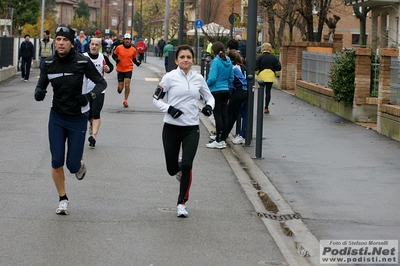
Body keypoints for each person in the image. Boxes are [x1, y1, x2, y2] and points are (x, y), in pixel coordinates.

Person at [34, 26, 107, 215]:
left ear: (70, 42)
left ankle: (79, 164)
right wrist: (39, 91)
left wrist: (89, 96)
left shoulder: (82, 62)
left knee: (72, 165)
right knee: (56, 160)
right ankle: (63, 199)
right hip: (57, 117)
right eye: (58, 39)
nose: (60, 43)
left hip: (78, 117)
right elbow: (41, 84)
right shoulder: (49, 63)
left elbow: (101, 83)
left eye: (64, 40)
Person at [153, 45, 215, 218]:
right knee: (172, 169)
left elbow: (209, 96)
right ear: (176, 60)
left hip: (191, 128)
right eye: (182, 57)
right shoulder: (169, 78)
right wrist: (169, 108)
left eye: (189, 57)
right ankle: (179, 166)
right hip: (171, 128)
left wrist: (209, 107)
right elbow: (155, 98)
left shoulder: (198, 78)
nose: (185, 60)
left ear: (193, 59)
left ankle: (181, 203)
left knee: (187, 165)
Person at [83, 38, 114, 148]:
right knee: (89, 114)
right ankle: (92, 127)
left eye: (96, 45)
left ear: (100, 47)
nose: (94, 46)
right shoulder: (83, 57)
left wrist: (107, 69)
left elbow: (111, 67)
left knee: (96, 113)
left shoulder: (103, 57)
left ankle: (93, 136)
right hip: (85, 90)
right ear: (89, 45)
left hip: (99, 90)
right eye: (92, 44)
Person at [205, 41, 234, 149]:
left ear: (213, 50)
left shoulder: (216, 61)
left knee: (217, 116)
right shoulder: (228, 60)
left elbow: (212, 78)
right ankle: (222, 139)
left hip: (216, 90)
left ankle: (218, 139)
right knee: (224, 115)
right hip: (226, 90)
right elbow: (231, 78)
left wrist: (204, 86)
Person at [221, 49, 248, 145]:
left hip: (239, 91)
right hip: (245, 91)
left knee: (230, 114)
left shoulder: (232, 68)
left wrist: (228, 96)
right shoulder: (241, 66)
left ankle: (223, 136)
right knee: (239, 114)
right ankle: (239, 134)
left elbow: (231, 83)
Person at [112, 33, 141, 108]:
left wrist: (137, 63)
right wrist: (116, 59)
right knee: (120, 88)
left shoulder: (133, 50)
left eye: (128, 39)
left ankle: (125, 100)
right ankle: (119, 89)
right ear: (123, 40)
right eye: (126, 39)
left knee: (127, 84)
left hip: (128, 68)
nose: (127, 41)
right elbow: (114, 55)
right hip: (120, 69)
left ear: (130, 41)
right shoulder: (119, 47)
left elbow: (134, 59)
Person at [255, 42, 282, 114]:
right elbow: (279, 67)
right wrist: (275, 74)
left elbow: (256, 67)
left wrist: (258, 73)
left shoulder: (260, 57)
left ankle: (259, 106)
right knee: (268, 92)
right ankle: (266, 107)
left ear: (263, 48)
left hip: (261, 77)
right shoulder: (274, 58)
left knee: (260, 92)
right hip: (270, 77)